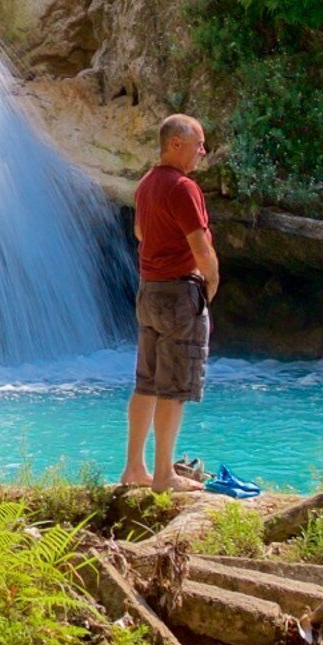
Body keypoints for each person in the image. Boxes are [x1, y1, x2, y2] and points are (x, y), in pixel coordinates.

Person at [122, 113, 221, 490]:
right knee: (174, 386)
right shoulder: (183, 187)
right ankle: (164, 474)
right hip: (180, 292)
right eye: (198, 144)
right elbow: (200, 244)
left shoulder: (147, 184)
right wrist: (211, 280)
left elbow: (139, 232)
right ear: (175, 144)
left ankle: (134, 469)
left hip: (149, 291)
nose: (202, 152)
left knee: (146, 381)